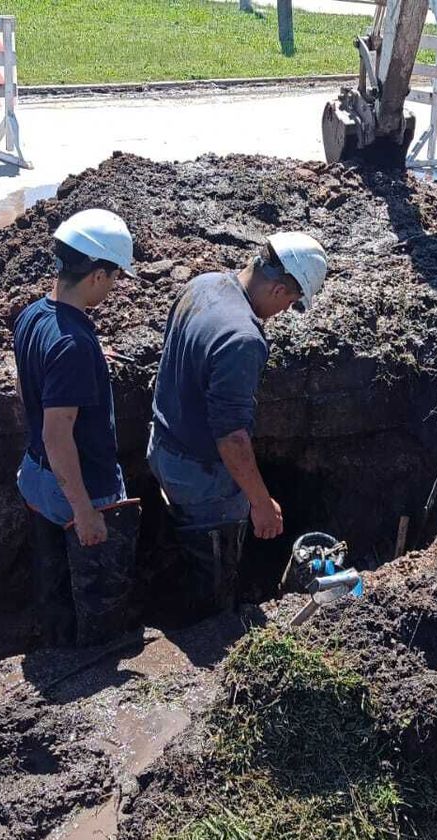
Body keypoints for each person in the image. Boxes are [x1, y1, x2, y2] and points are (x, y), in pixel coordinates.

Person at [148, 232, 327, 615]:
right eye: (291, 304)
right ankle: (211, 626)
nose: (284, 313)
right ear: (279, 289)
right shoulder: (243, 339)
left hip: (162, 447)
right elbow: (231, 440)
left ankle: (178, 578)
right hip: (201, 476)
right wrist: (260, 503)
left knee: (185, 537)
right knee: (214, 565)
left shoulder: (204, 284)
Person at [13, 208, 141, 647]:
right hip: (80, 487)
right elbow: (57, 434)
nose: (115, 286)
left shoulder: (34, 316)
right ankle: (94, 660)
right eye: (115, 277)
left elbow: (31, 388)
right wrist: (85, 511)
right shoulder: (72, 346)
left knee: (54, 576)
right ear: (97, 276)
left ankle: (58, 642)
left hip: (37, 476)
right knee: (99, 588)